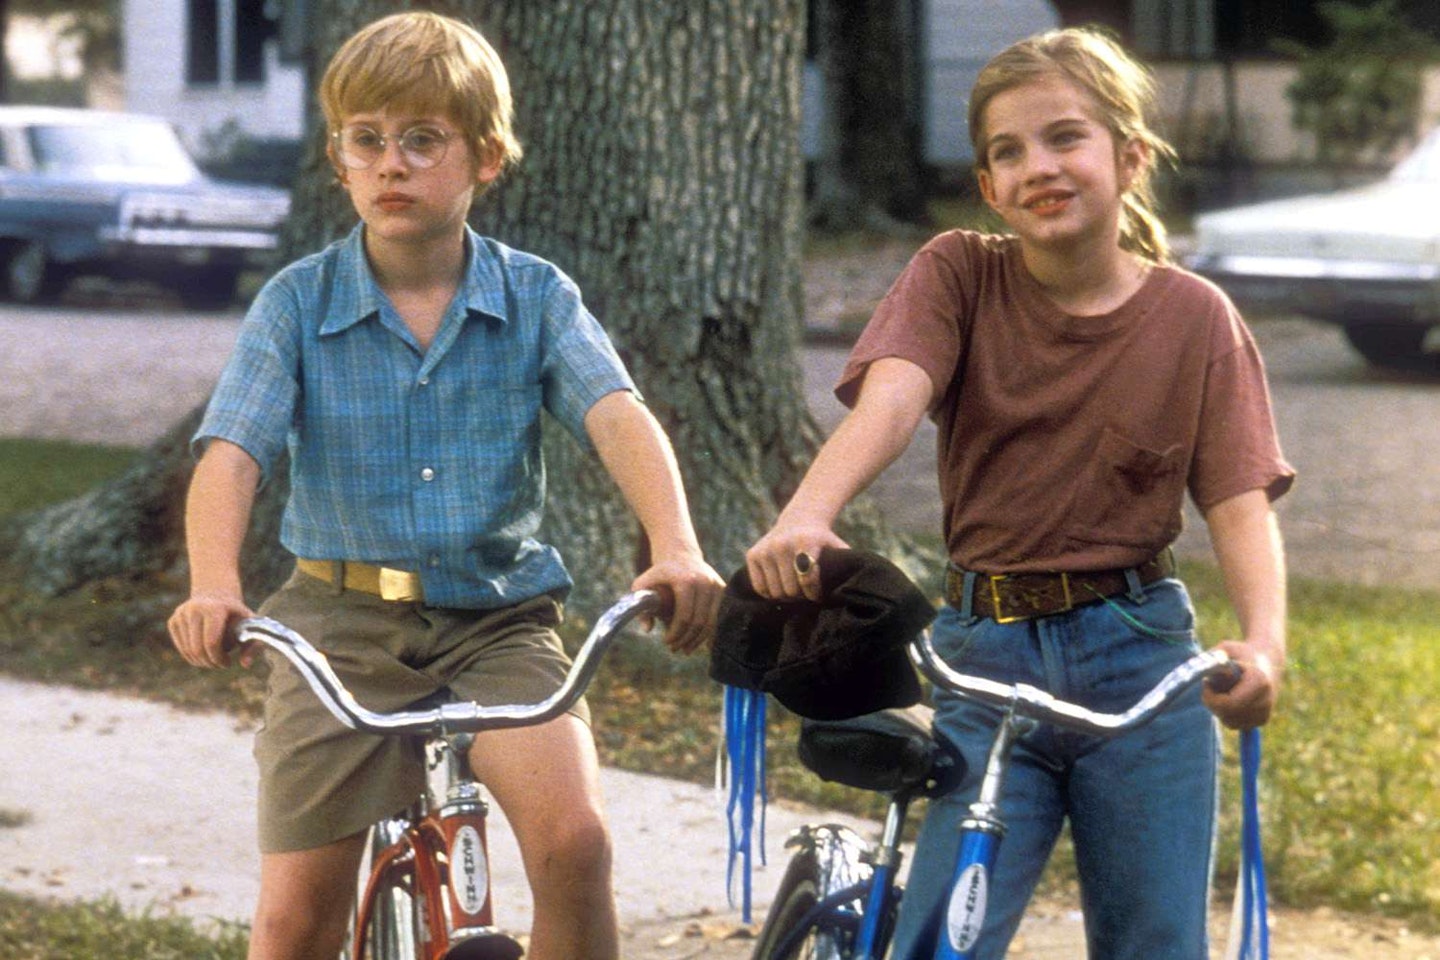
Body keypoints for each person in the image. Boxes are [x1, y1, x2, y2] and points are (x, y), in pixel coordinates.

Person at [166, 12, 724, 960]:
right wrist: (215, 582)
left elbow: (616, 413)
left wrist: (675, 548)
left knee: (575, 845)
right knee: (296, 914)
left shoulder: (536, 295)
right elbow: (233, 452)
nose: (393, 164)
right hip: (338, 624)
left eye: (424, 140)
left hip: (498, 618)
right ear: (339, 159)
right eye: (368, 140)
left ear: (488, 158)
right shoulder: (298, 303)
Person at [745, 27, 1293, 960]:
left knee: (1158, 939)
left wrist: (1266, 645)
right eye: (1008, 151)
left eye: (1065, 137)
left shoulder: (1197, 320)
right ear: (990, 188)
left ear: (1130, 158)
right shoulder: (960, 273)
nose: (1039, 165)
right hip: (988, 656)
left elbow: (1239, 499)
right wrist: (809, 512)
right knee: (946, 939)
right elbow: (891, 400)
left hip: (1141, 659)